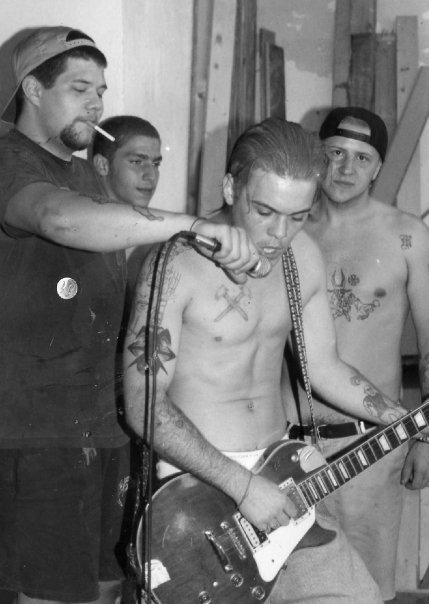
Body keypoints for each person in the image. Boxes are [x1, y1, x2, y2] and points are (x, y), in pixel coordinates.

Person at [0, 26, 260, 604]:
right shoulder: (9, 160)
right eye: (79, 88)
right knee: (51, 594)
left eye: (101, 90)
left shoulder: (84, 172)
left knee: (111, 585)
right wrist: (193, 225)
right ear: (33, 90)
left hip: (105, 426)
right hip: (38, 434)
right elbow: (57, 218)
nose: (96, 104)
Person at [123, 117, 421, 603]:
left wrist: (404, 419)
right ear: (230, 188)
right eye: (264, 211)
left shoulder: (301, 255)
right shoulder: (176, 263)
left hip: (286, 479)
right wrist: (242, 487)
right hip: (203, 492)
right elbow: (143, 404)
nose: (279, 233)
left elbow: (324, 368)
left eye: (298, 215)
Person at [283, 106, 429, 602]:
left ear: (378, 167)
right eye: (335, 153)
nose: (346, 168)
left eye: (361, 158)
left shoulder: (406, 235)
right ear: (317, 156)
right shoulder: (287, 230)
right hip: (287, 449)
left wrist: (426, 438)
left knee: (367, 589)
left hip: (371, 446)